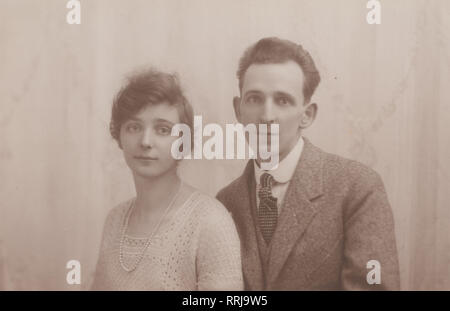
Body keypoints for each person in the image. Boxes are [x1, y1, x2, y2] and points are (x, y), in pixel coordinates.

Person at [216, 37, 400, 290]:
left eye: (282, 101)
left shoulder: (357, 188)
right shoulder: (225, 203)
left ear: (307, 115)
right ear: (238, 110)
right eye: (254, 99)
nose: (267, 116)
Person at [92, 69, 243, 290]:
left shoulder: (210, 222)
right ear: (119, 135)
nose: (145, 141)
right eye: (134, 127)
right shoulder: (114, 221)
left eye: (163, 130)